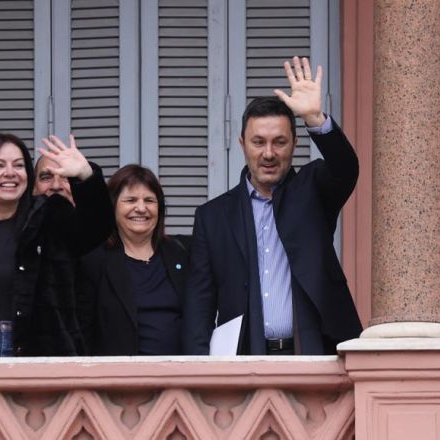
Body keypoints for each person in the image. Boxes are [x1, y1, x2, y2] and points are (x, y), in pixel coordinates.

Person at [182, 57, 361, 355]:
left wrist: (315, 119)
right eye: (258, 142)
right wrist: (198, 371)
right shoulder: (212, 217)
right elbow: (200, 303)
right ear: (242, 144)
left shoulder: (313, 190)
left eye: (279, 142)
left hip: (313, 353)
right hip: (245, 359)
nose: (268, 153)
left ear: (293, 145)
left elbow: (346, 168)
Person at [0, 134, 112, 356]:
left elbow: (97, 228)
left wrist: (86, 176)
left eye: (19, 165)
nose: (10, 173)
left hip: (41, 355)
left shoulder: (50, 217)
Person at [76, 165, 189, 355]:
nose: (141, 208)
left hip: (179, 379)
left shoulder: (182, 252)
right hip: (119, 379)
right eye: (131, 200)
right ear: (113, 206)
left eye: (149, 200)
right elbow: (82, 334)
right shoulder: (94, 261)